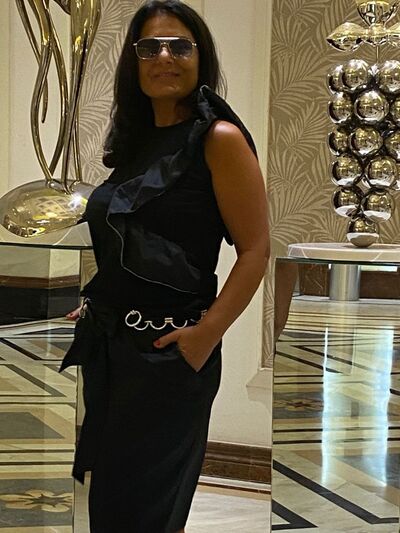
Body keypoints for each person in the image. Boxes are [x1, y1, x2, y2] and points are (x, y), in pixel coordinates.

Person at [60, 1, 269, 532]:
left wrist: (205, 336)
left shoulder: (219, 139)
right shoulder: (133, 143)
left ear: (201, 58)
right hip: (113, 350)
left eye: (180, 46)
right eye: (150, 47)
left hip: (171, 354)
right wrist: (98, 300)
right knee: (110, 504)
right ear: (134, 61)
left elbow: (255, 250)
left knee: (146, 512)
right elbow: (130, 239)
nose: (164, 57)